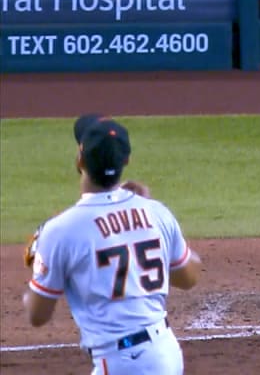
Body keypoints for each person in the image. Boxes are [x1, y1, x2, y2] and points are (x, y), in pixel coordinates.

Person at [22, 113, 202, 374]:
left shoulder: (60, 230)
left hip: (122, 363)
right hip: (166, 353)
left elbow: (37, 316)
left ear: (80, 159)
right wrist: (147, 221)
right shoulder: (156, 212)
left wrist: (40, 267)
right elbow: (189, 278)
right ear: (126, 160)